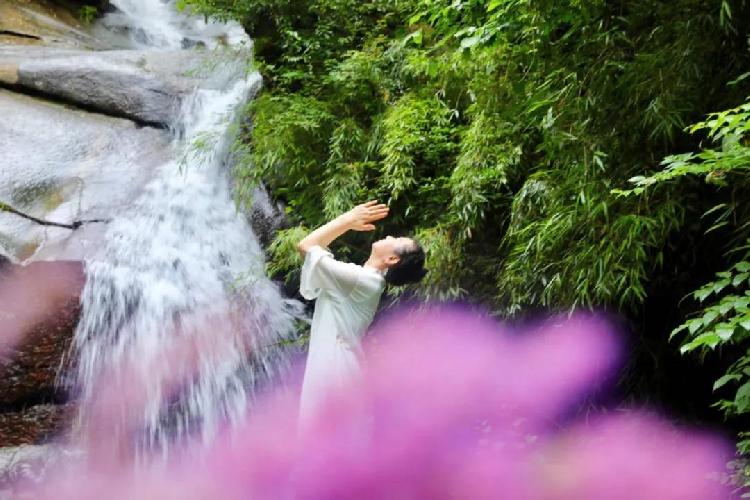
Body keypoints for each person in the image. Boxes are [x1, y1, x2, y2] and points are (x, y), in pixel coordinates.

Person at [296, 201, 427, 428]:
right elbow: (314, 249)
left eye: (395, 241)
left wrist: (347, 220)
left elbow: (306, 245)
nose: (389, 237)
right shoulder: (365, 280)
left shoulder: (360, 281)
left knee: (324, 438)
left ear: (392, 260)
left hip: (335, 367)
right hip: (338, 363)